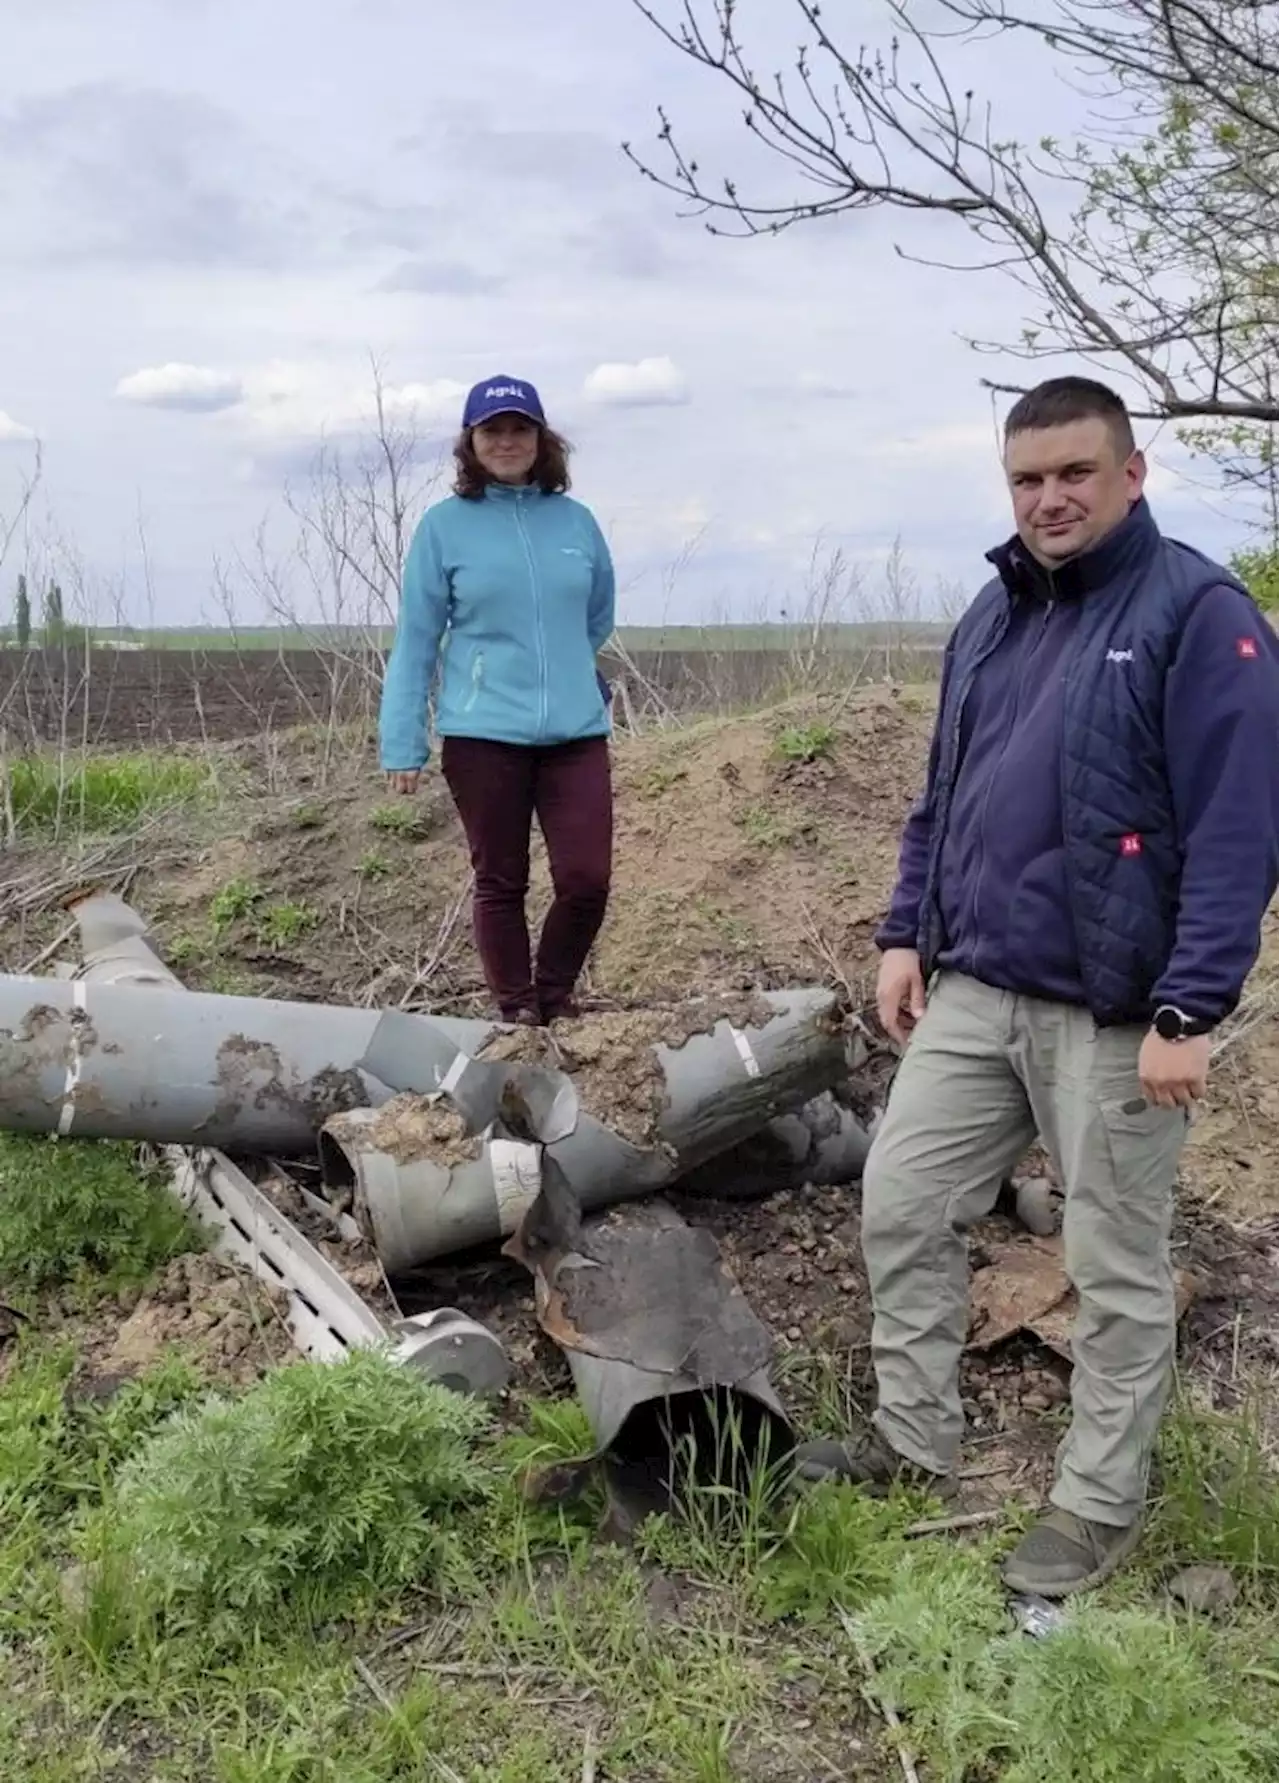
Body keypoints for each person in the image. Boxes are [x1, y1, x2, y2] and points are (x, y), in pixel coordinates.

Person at [800, 376, 1280, 1598]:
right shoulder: (992, 613)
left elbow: (1238, 829)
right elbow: (940, 793)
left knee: (1114, 1263)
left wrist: (1189, 1008)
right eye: (1026, 478)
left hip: (1119, 1013)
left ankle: (1094, 1503)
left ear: (1131, 474)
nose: (1048, 498)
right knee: (903, 1196)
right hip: (980, 987)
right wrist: (904, 929)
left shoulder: (1198, 615)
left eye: (1074, 472)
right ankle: (916, 1439)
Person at [379, 375, 616, 1025]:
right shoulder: (443, 529)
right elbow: (417, 639)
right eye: (492, 430)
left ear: (543, 439)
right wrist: (403, 739)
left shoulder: (577, 522)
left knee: (586, 879)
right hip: (483, 736)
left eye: (519, 428)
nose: (506, 441)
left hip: (575, 733)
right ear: (470, 443)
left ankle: (553, 992)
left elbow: (596, 617)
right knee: (501, 882)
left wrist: (564, 670)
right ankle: (518, 1011)